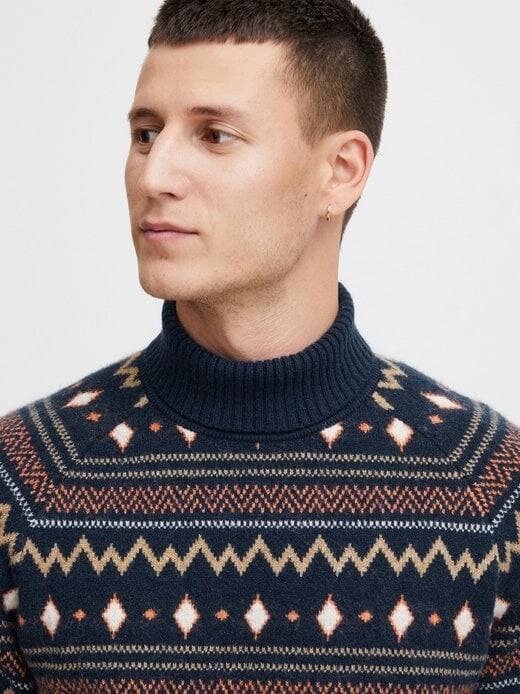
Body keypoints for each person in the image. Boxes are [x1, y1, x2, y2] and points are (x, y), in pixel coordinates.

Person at [0, 1, 518, 691]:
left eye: (215, 135)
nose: (153, 177)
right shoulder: (25, 481)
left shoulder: (488, 486)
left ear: (341, 171)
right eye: (146, 133)